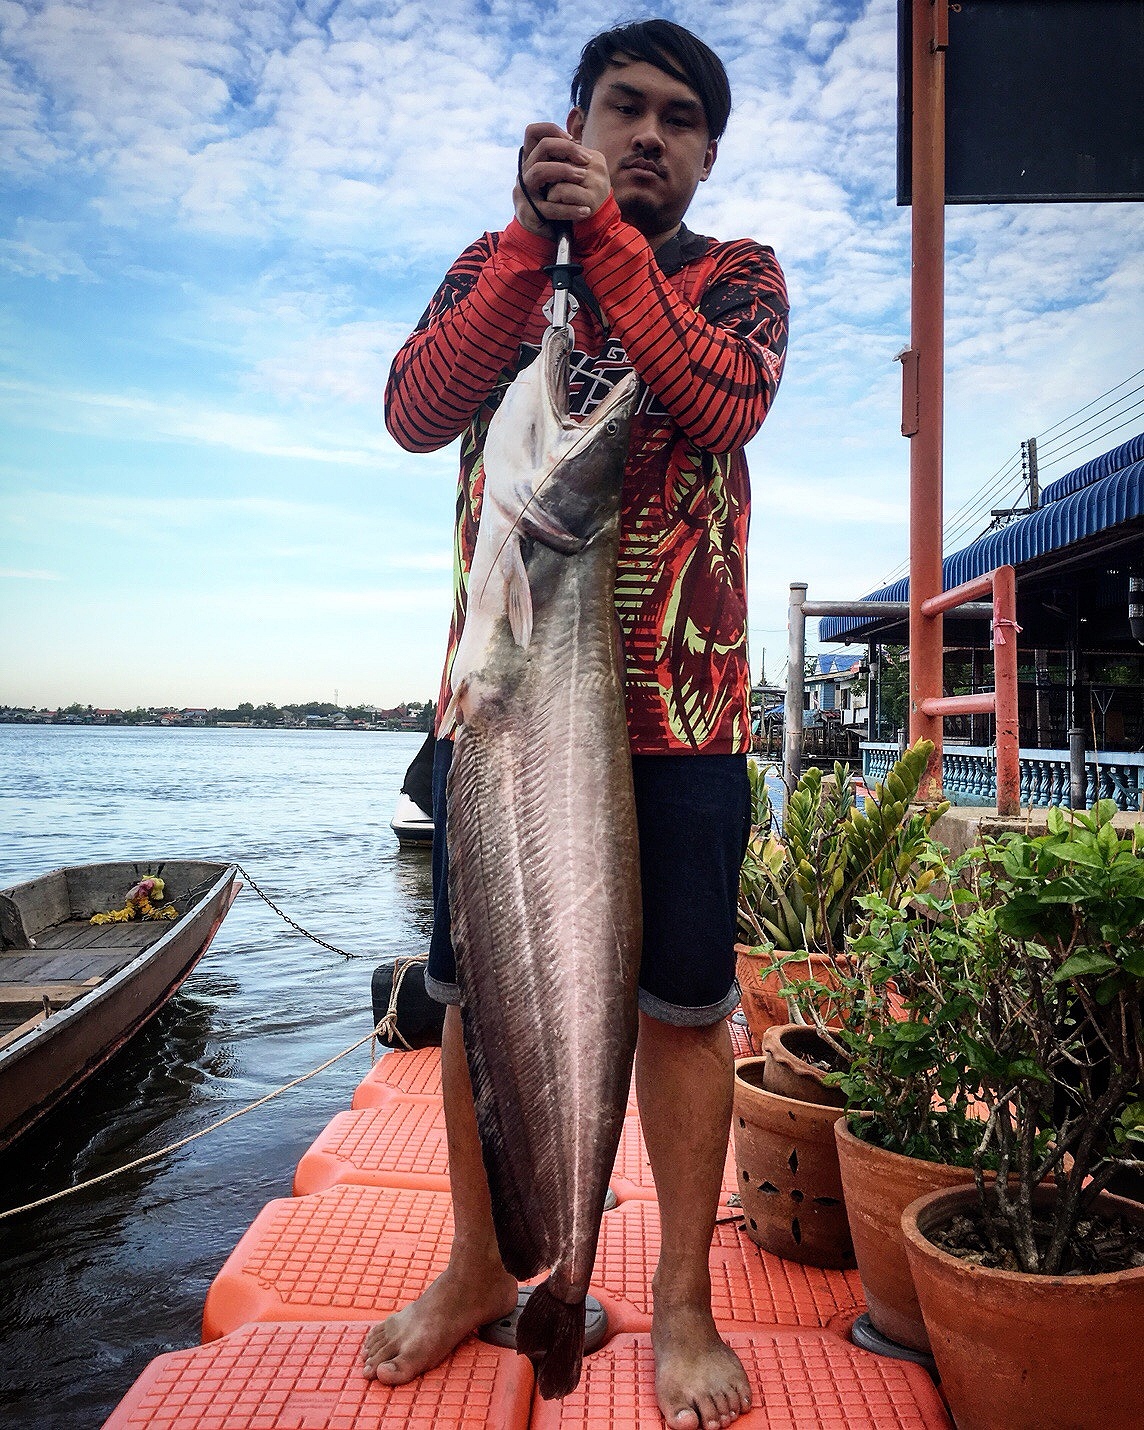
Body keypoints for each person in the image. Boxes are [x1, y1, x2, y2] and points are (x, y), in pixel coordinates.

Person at [364, 19, 788, 1430]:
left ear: (708, 152)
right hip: (498, 718)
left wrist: (604, 243)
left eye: (679, 119)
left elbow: (722, 403)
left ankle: (675, 1299)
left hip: (684, 725)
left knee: (680, 1009)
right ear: (577, 119)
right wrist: (523, 244)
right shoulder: (498, 275)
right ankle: (483, 1262)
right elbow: (417, 410)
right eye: (624, 108)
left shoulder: (738, 280)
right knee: (480, 994)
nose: (649, 134)